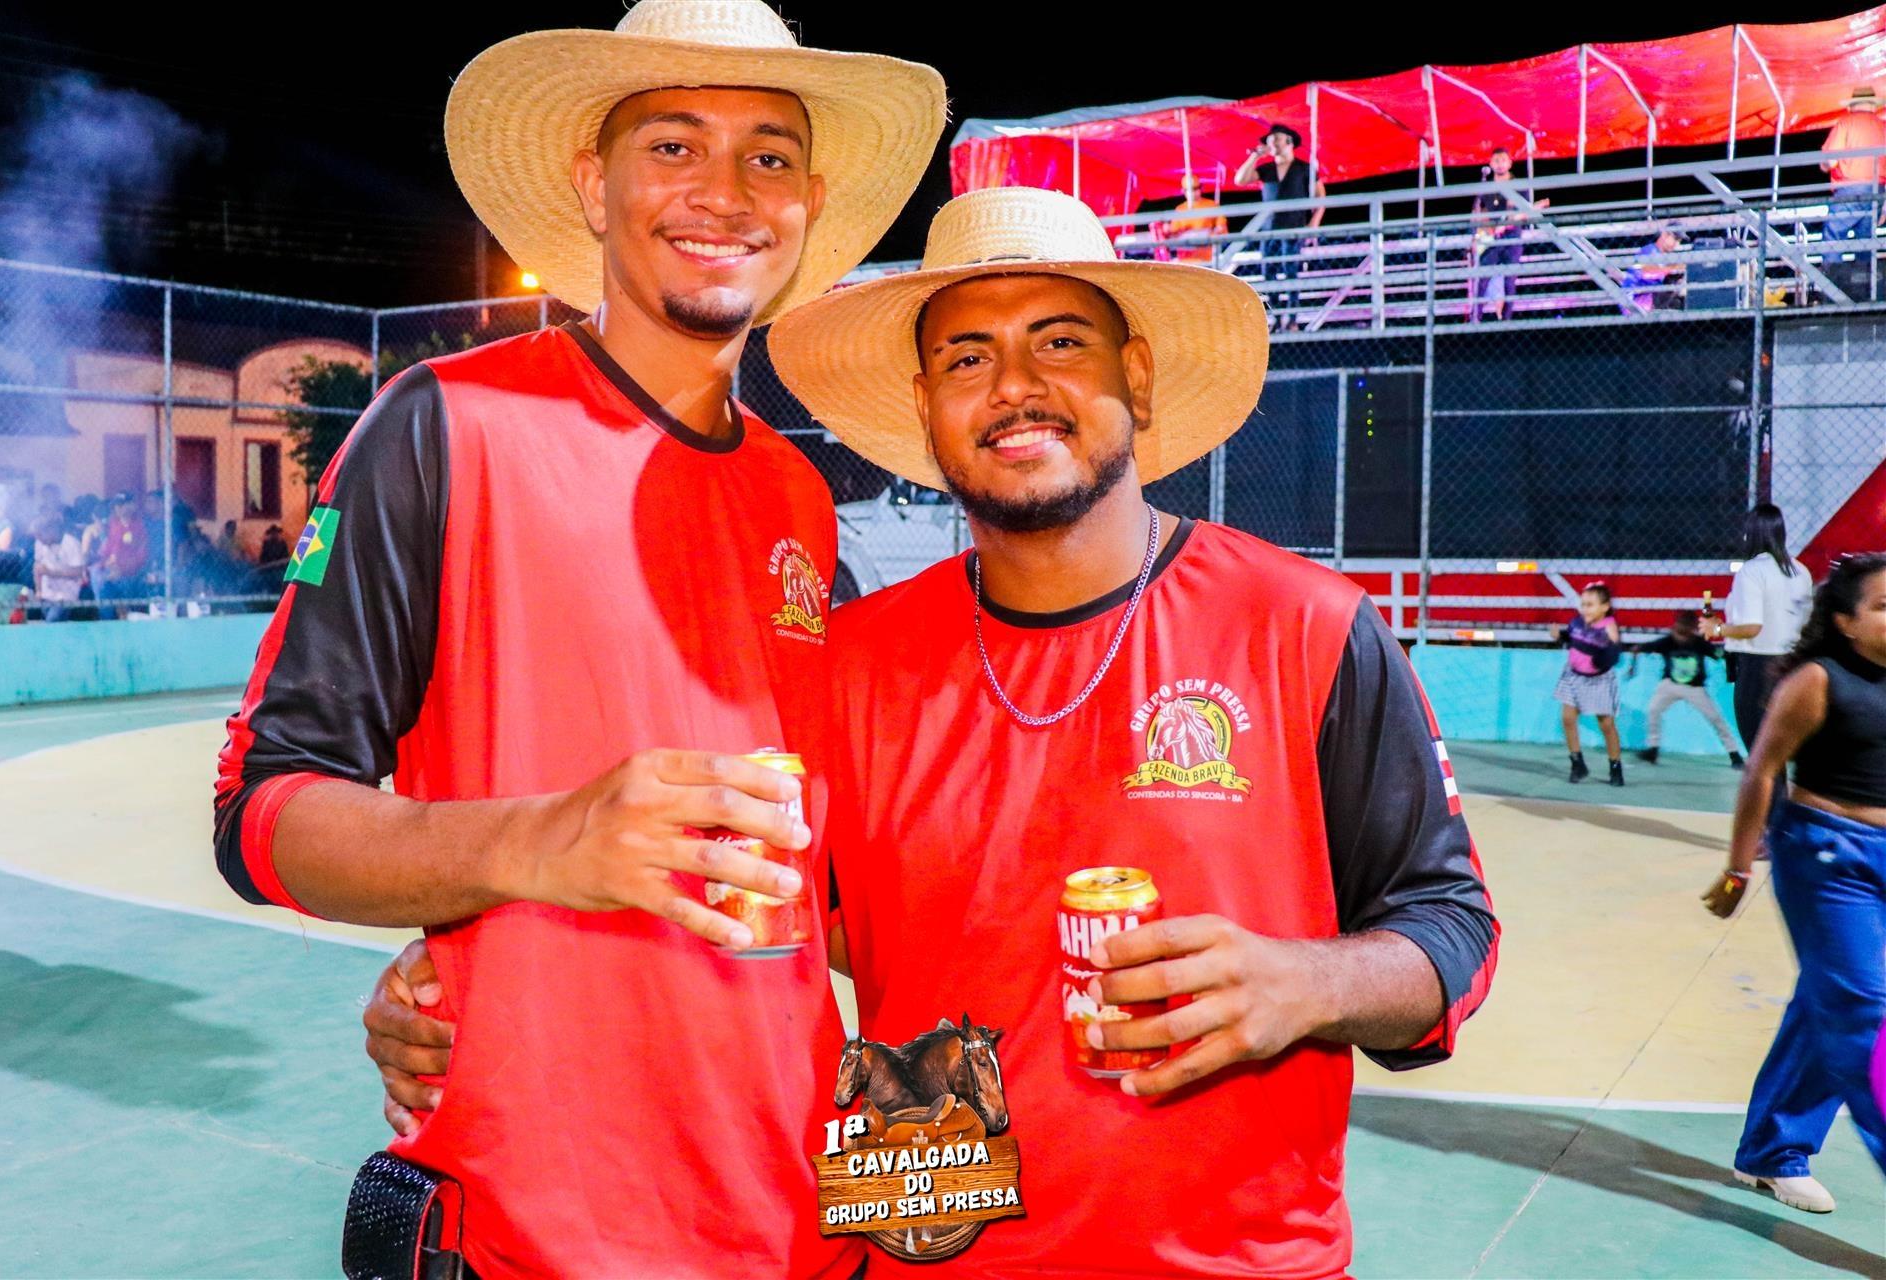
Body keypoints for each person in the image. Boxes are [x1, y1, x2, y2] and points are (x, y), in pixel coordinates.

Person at [365, 187, 1498, 1278]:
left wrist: (1303, 981)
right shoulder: (851, 661)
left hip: (1227, 1263)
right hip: (920, 1245)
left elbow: (1450, 926)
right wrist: (468, 978)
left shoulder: (1304, 626)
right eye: (966, 358)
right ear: (926, 405)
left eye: (1061, 343)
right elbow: (742, 911)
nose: (1014, 386)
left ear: (1138, 378)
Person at [208, 3, 945, 1276]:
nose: (725, 192)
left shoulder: (798, 498)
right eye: (674, 146)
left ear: (809, 205)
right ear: (593, 187)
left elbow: (813, 884)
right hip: (541, 1230)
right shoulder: (445, 423)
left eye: (768, 156)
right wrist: (531, 848)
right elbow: (262, 810)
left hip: (799, 1219)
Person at [1705, 553, 1886, 1210]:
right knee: (1865, 1014)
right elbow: (1762, 770)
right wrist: (1737, 868)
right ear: (1845, 621)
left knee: (1826, 1001)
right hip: (1829, 857)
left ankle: (1772, 1150)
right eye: (1883, 606)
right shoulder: (1817, 679)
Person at [1709, 505, 1816, 795]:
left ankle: (1771, 818)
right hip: (1792, 664)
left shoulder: (1752, 571)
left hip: (1758, 667)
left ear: (1751, 533)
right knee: (1779, 751)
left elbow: (1751, 627)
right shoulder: (1800, 570)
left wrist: (1718, 629)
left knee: (1760, 755)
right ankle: (1784, 814)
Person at [1233, 125, 1324, 332]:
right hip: (1269, 230)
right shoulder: (1267, 169)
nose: (1272, 143)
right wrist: (1255, 156)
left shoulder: (1304, 168)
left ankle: (1292, 319)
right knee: (1269, 274)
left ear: (1289, 141)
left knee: (1291, 272)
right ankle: (1275, 318)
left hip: (1294, 227)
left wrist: (1314, 223)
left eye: (1277, 139)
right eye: (1270, 140)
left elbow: (1320, 196)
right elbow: (1240, 180)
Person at [1634, 609, 1742, 768]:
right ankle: (1653, 749)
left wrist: (1730, 658)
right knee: (1653, 710)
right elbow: (1647, 647)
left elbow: (1719, 654)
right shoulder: (1668, 641)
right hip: (1670, 684)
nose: (1681, 634)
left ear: (1692, 628)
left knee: (1715, 718)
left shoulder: (1699, 643)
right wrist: (1637, 650)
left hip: (1694, 688)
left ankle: (1734, 754)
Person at [1550, 582, 1624, 785]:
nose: (1585, 609)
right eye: (1583, 604)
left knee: (1606, 724)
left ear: (1605, 607)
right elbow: (1572, 638)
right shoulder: (1576, 622)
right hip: (1573, 677)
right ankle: (1577, 763)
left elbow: (1614, 654)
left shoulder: (1609, 627)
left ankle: (1615, 767)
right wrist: (1559, 636)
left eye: (1590, 605)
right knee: (1567, 718)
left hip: (1598, 682)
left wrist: (1608, 653)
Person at [1820, 86, 1884, 300]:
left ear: (1852, 105)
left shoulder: (1845, 124)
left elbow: (1830, 161)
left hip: (1849, 188)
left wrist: (1823, 165)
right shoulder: (1882, 127)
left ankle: (1833, 288)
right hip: (1877, 190)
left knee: (1833, 235)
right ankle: (1865, 291)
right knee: (1866, 241)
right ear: (1873, 105)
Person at [1471, 147, 1548, 321]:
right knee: (1482, 278)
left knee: (1509, 281)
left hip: (1512, 238)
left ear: (1510, 163)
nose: (1500, 164)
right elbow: (1479, 212)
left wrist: (1506, 224)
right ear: (1491, 164)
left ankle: (1506, 320)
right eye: (1496, 161)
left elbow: (1525, 212)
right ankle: (1475, 319)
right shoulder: (1486, 188)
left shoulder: (1519, 186)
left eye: (1503, 160)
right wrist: (1484, 229)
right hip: (1491, 239)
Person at [97, 492, 150, 614]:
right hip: (111, 570)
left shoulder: (140, 526)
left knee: (125, 587)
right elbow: (106, 550)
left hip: (131, 573)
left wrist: (121, 568)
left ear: (133, 505)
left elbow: (142, 555)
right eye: (117, 505)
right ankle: (108, 623)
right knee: (103, 586)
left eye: (122, 504)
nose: (119, 508)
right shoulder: (113, 524)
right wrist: (106, 565)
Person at [1159, 173, 1228, 266]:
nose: (1192, 193)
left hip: (1207, 256)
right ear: (1184, 191)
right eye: (1189, 190)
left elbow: (1222, 230)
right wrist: (1167, 230)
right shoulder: (1180, 209)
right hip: (1185, 257)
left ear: (1201, 188)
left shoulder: (1212, 205)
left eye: (1195, 189)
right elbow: (1174, 234)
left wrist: (1210, 234)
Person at [29, 509, 85, 622]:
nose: (39, 539)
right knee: (50, 621)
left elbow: (79, 572)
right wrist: (38, 590)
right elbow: (37, 566)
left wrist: (52, 573)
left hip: (65, 594)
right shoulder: (40, 543)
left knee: (53, 620)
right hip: (46, 593)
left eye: (41, 535)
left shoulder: (71, 543)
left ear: (51, 530)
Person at [1620, 224, 1685, 312]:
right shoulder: (1648, 251)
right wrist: (1672, 268)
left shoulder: (1662, 256)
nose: (1676, 244)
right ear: (1665, 234)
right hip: (1635, 300)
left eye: (1679, 241)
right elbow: (1645, 272)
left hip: (1650, 298)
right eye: (1675, 239)